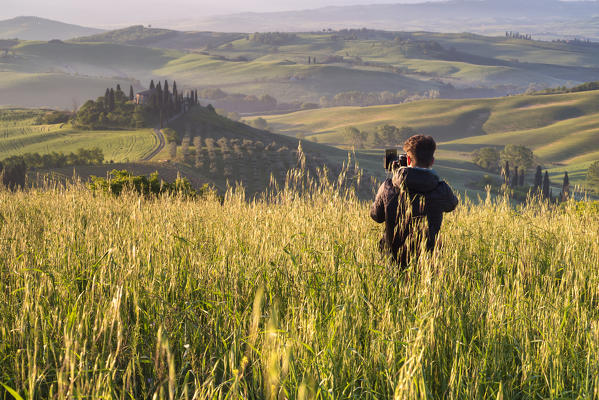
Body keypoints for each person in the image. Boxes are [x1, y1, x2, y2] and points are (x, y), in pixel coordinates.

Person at [370, 135, 458, 268]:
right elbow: (451, 205)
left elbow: (376, 216)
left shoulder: (389, 186)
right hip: (427, 261)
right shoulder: (441, 189)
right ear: (432, 161)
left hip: (392, 260)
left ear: (408, 158)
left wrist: (396, 175)